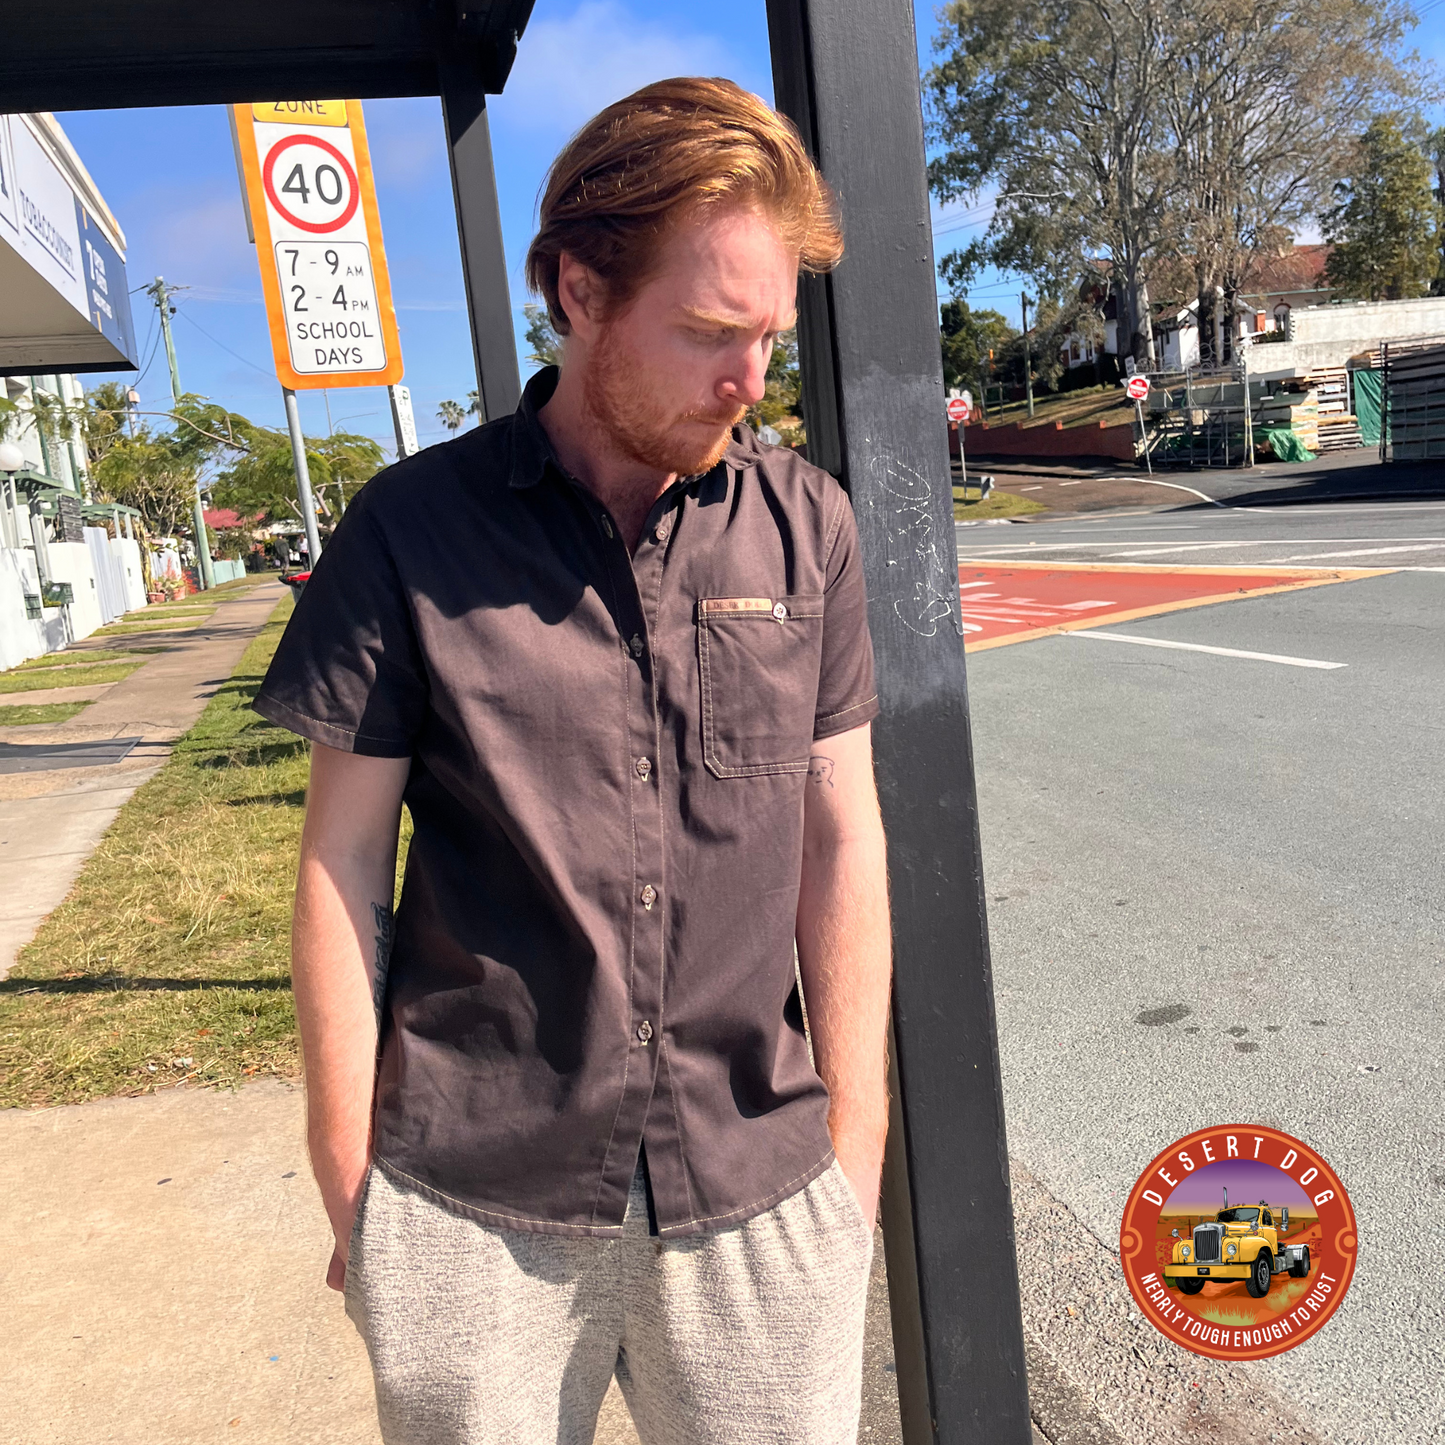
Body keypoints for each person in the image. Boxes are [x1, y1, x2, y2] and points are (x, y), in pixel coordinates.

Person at [254, 76, 891, 1445]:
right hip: (470, 1202)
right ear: (579, 292)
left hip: (764, 1187)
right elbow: (341, 862)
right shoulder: (410, 533)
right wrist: (348, 1178)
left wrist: (856, 1155)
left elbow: (845, 838)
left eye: (769, 337)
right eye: (712, 333)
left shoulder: (806, 529)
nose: (750, 380)